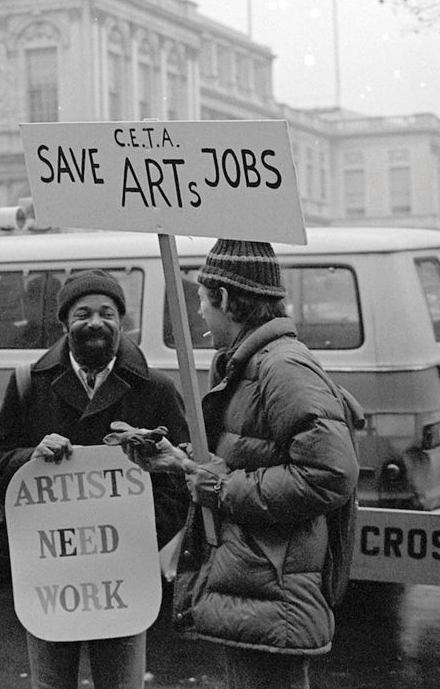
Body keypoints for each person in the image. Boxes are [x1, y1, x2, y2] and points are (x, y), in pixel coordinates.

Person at [123, 240, 359, 689]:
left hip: (272, 594)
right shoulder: (253, 364)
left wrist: (217, 487)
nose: (201, 317)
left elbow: (330, 474)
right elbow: (251, 457)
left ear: (227, 299)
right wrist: (177, 462)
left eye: (202, 301)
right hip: (257, 589)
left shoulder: (281, 368)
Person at [0, 269, 191, 689]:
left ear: (121, 320)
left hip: (123, 575)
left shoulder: (157, 389)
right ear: (65, 323)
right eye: (82, 313)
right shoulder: (28, 383)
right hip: (51, 576)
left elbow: (179, 482)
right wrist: (30, 458)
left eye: (107, 313)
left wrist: (134, 537)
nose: (95, 322)